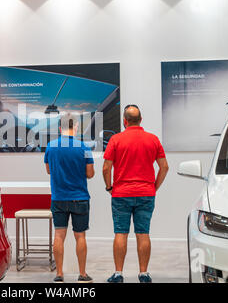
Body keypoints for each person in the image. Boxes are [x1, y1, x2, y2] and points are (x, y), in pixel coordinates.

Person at [102, 105, 169, 283]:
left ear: (125, 121)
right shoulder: (153, 139)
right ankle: (144, 273)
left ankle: (118, 274)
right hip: (146, 193)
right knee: (143, 233)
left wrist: (109, 187)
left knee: (120, 233)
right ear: (141, 120)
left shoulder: (116, 140)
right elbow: (164, 167)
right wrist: (154, 187)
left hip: (121, 194)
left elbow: (106, 168)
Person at [44, 113, 95, 283]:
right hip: (79, 197)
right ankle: (82, 274)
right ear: (77, 127)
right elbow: (90, 174)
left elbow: (49, 170)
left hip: (58, 198)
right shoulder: (84, 148)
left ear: (60, 128)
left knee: (59, 235)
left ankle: (59, 274)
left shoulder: (50, 147)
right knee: (80, 236)